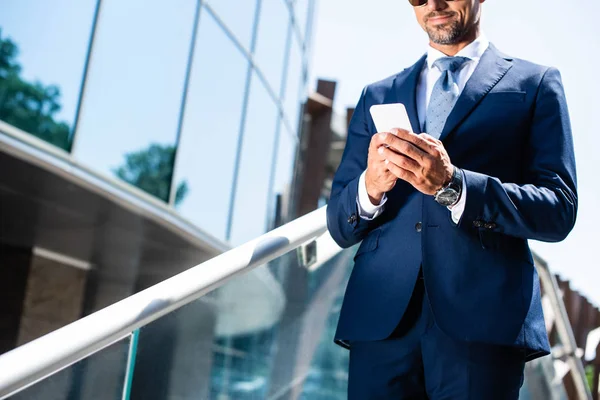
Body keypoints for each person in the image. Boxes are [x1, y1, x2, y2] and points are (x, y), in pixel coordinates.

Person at [326, 0, 578, 398]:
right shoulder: (378, 93)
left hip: (483, 319)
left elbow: (558, 208)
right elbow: (339, 224)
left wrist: (455, 185)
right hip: (381, 318)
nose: (434, 5)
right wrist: (370, 186)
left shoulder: (536, 83)